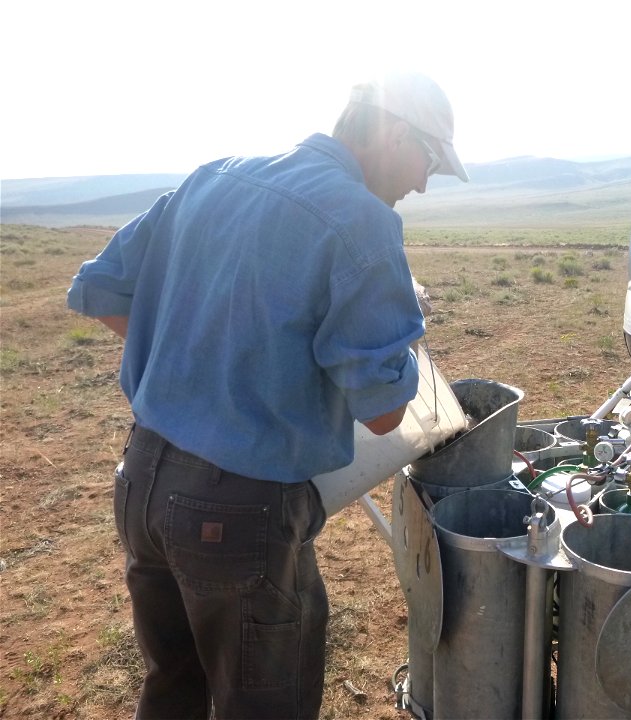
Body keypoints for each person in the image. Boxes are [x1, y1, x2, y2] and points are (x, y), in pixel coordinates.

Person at [66, 71, 468, 720]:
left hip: (139, 482)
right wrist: (402, 321)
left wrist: (201, 363)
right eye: (429, 161)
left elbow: (101, 290)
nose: (423, 183)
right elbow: (385, 409)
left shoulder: (215, 176)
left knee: (173, 688)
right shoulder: (363, 222)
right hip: (237, 518)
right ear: (395, 134)